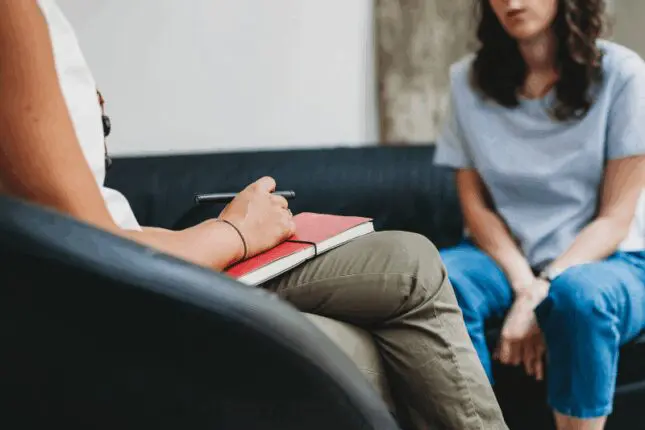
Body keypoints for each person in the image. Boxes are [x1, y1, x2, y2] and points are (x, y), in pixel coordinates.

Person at [0, 1, 508, 429]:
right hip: (112, 300)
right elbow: (87, 248)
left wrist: (214, 234)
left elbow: (90, 215)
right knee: (360, 350)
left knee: (409, 259)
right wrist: (233, 233)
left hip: (134, 261)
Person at [434, 0, 645, 429]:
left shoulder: (623, 74)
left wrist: (543, 288)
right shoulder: (466, 81)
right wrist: (523, 283)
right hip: (503, 256)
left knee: (578, 297)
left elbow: (615, 218)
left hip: (607, 257)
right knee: (433, 281)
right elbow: (476, 208)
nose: (512, 2)